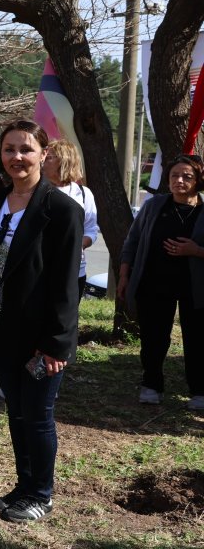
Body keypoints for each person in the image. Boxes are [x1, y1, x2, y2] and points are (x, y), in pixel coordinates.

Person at [0, 120, 82, 522]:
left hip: (41, 335)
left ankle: (41, 494)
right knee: (17, 412)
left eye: (25, 149)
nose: (16, 157)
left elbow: (66, 284)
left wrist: (56, 344)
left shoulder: (61, 210)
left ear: (44, 153)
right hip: (3, 327)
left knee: (38, 416)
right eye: (9, 149)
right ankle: (23, 486)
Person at [118, 154, 204, 411]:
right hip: (154, 283)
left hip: (196, 287)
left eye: (187, 176)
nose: (180, 181)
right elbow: (132, 241)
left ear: (198, 180)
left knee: (197, 339)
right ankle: (151, 384)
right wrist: (124, 276)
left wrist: (195, 251)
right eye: (174, 175)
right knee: (153, 337)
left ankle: (199, 390)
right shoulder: (154, 206)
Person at [43, 139, 98, 296]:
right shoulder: (36, 192)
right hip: (41, 270)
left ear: (64, 160)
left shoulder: (83, 193)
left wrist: (78, 245)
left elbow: (91, 230)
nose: (42, 161)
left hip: (74, 271)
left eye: (48, 157)